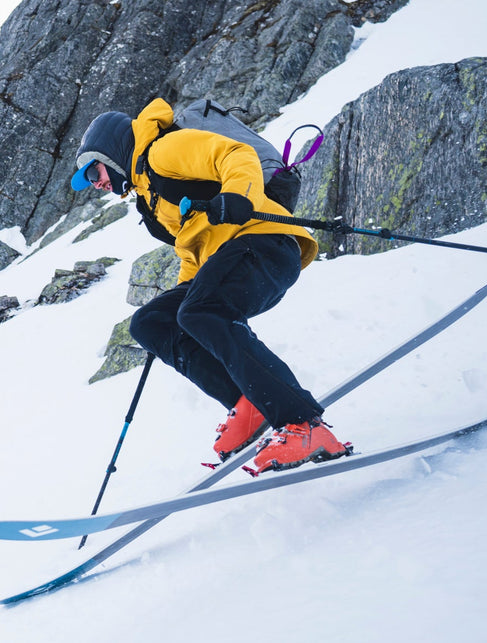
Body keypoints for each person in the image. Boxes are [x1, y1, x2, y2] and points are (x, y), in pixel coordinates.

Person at [71, 98, 349, 474]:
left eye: (94, 172)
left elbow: (235, 154)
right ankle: (248, 405)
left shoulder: (164, 150)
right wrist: (180, 297)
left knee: (202, 310)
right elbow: (193, 247)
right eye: (90, 181)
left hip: (265, 242)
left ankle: (303, 424)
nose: (97, 184)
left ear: (112, 153)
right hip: (233, 256)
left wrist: (236, 196)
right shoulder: (150, 196)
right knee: (152, 322)